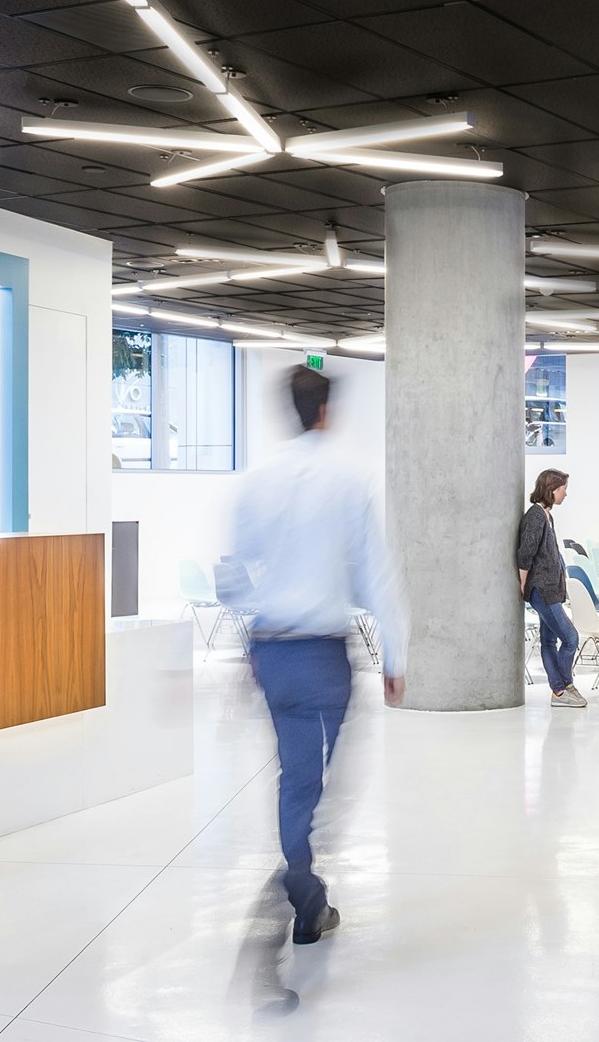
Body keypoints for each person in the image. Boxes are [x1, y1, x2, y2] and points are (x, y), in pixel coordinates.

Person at [228, 365, 408, 946]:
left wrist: (248, 640)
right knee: (322, 783)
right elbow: (377, 575)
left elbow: (233, 572)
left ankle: (302, 874)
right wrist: (395, 657)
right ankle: (305, 884)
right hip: (324, 655)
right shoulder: (348, 479)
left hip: (272, 650)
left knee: (295, 774)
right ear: (327, 411)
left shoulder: (257, 480)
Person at [517, 469, 584, 709]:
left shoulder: (546, 515)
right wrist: (523, 582)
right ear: (552, 489)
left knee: (549, 642)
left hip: (551, 589)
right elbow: (526, 553)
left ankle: (560, 690)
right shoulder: (536, 515)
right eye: (563, 488)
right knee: (570, 638)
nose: (566, 493)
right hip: (542, 590)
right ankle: (563, 687)